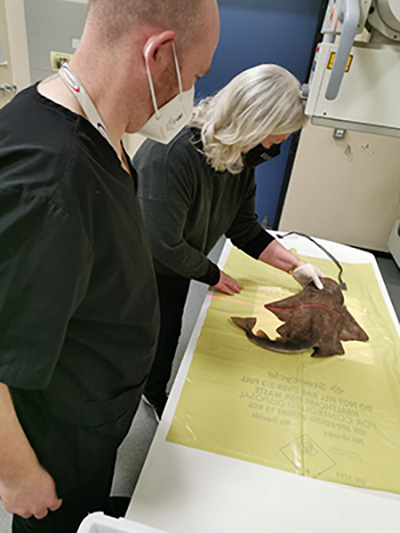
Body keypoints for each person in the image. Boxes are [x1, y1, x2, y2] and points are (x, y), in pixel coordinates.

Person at [0, 0, 219, 531]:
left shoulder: (89, 128)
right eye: (194, 76)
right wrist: (18, 477)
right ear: (159, 53)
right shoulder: (53, 180)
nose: (189, 95)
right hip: (54, 449)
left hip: (93, 417)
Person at [134, 64, 325, 422]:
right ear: (251, 122)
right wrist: (211, 273)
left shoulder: (239, 156)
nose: (276, 148)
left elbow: (245, 228)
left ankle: (153, 390)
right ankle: (147, 397)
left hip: (175, 259)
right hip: (140, 264)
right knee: (149, 334)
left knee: (168, 331)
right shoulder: (172, 156)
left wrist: (296, 266)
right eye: (274, 138)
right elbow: (161, 244)